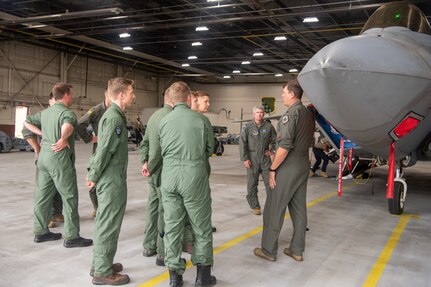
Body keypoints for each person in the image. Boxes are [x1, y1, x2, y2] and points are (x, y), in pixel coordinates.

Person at [158, 81, 216, 287]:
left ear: (171, 100)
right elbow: (210, 149)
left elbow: (161, 149)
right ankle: (203, 277)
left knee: (172, 227)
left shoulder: (163, 121)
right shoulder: (201, 120)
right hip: (194, 178)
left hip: (169, 178)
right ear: (189, 98)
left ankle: (175, 278)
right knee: (201, 227)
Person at [24, 83, 92, 248]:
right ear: (66, 95)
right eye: (72, 94)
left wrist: (43, 134)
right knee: (69, 197)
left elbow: (27, 122)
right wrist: (62, 139)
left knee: (42, 196)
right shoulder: (67, 113)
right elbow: (67, 126)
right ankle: (72, 236)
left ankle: (40, 232)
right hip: (58, 158)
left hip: (44, 156)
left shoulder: (45, 113)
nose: (73, 97)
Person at [254, 80, 314, 263]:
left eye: (284, 93)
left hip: (288, 166)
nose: (282, 96)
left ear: (292, 94)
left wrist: (273, 168)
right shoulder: (307, 113)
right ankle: (297, 249)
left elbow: (286, 146)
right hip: (303, 165)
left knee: (274, 208)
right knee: (299, 209)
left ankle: (268, 250)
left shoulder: (291, 114)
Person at [86, 77, 135, 285]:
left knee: (105, 223)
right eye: (132, 92)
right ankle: (103, 272)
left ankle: (101, 263)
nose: (134, 96)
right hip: (111, 178)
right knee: (108, 224)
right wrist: (93, 175)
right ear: (121, 94)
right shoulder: (114, 118)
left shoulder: (115, 116)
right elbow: (104, 149)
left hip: (112, 175)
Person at [140, 88, 173, 266]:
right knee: (164, 210)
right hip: (162, 170)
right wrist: (151, 166)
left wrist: (145, 162)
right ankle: (162, 252)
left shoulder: (154, 117)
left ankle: (148, 245)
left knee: (152, 208)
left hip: (151, 172)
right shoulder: (170, 118)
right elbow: (160, 149)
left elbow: (145, 142)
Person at [23, 93, 63, 229]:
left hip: (59, 159)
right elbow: (26, 130)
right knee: (44, 190)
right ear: (50, 101)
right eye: (54, 100)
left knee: (58, 188)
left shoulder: (61, 115)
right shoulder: (43, 115)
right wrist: (37, 148)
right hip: (45, 158)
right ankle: (45, 219)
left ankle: (56, 214)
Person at [76, 88, 111, 217]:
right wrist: (90, 138)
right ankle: (97, 207)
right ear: (107, 95)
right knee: (95, 176)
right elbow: (79, 124)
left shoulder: (117, 111)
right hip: (99, 149)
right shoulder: (97, 110)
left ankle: (108, 205)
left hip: (113, 150)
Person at [239, 106, 276, 215]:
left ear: (264, 114)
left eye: (261, 112)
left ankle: (271, 206)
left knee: (270, 184)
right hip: (252, 158)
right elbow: (242, 143)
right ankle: (255, 206)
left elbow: (275, 140)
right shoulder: (248, 127)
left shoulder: (269, 126)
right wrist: (245, 158)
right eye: (257, 112)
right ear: (253, 114)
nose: (259, 114)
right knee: (252, 184)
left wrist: (272, 151)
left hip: (265, 159)